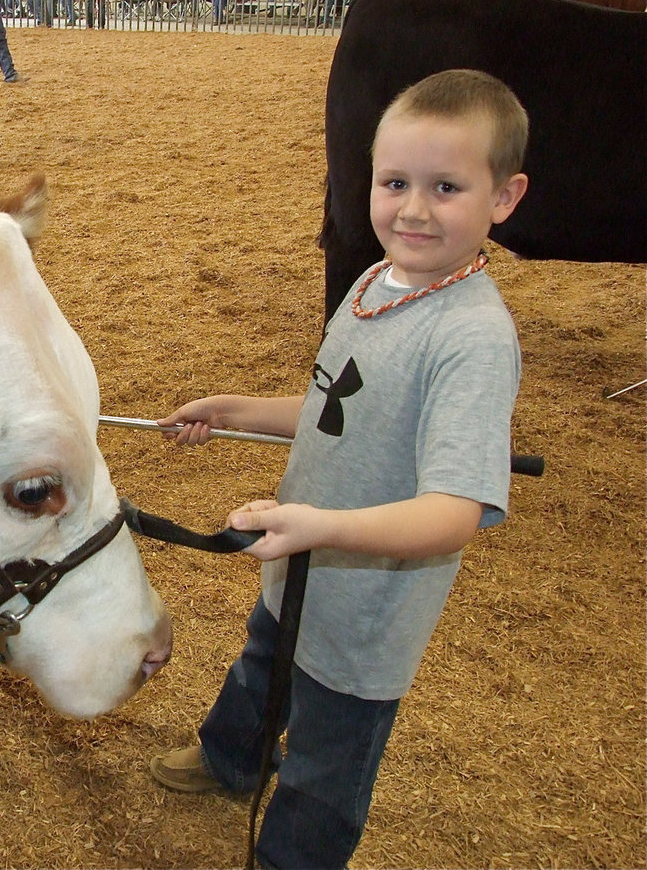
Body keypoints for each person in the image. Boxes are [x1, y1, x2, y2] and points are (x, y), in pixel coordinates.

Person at [148, 68, 530, 869]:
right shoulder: (372, 284)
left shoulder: (472, 338)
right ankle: (232, 758)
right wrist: (233, 409)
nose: (414, 209)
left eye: (447, 187)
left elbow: (457, 509)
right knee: (262, 668)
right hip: (301, 569)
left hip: (365, 619)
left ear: (504, 197)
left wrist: (323, 527)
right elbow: (333, 404)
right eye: (395, 182)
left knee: (326, 764)